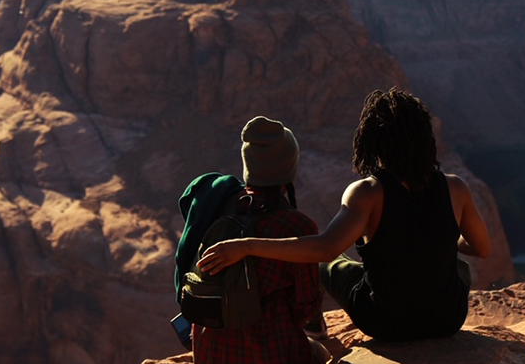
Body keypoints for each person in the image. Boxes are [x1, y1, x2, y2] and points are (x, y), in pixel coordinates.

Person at [198, 88, 491, 343]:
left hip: (386, 323)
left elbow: (325, 249)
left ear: (373, 142)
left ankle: (314, 328)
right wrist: (439, 238)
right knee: (457, 267)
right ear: (425, 139)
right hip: (447, 321)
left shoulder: (368, 193)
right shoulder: (455, 187)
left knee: (329, 267)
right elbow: (481, 248)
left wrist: (246, 245)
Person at [178, 116, 326, 364]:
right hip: (265, 357)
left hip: (209, 354)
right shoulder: (296, 225)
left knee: (242, 337)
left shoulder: (219, 206)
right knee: (319, 363)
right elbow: (305, 306)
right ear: (289, 169)